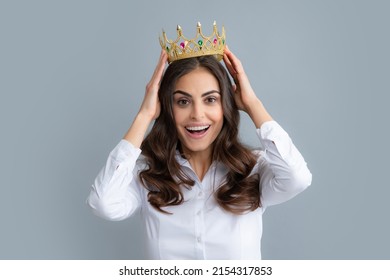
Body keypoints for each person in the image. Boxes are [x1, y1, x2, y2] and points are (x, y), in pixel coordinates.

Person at [87, 45, 312, 259]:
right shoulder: (147, 176)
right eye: (183, 101)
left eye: (210, 100)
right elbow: (103, 203)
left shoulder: (253, 169)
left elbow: (298, 179)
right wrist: (144, 116)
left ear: (225, 105)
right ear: (167, 107)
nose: (197, 114)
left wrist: (253, 103)